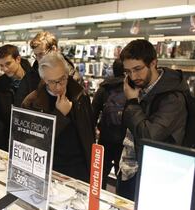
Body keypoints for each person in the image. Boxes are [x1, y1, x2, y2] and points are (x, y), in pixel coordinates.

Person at [118, 39, 189, 200]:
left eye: (138, 69)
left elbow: (148, 136)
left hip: (154, 176)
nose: (133, 76)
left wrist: (131, 103)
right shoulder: (139, 89)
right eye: (128, 71)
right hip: (129, 170)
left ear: (153, 63)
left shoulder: (172, 98)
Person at [22, 52, 95, 182]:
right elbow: (34, 141)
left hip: (80, 168)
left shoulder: (80, 96)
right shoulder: (32, 101)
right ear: (44, 80)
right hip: (49, 168)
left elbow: (89, 135)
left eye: (63, 79)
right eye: (52, 82)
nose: (59, 86)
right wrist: (60, 114)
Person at [0, 44, 36, 151]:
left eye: (8, 64)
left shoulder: (35, 80)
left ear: (18, 59)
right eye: (1, 65)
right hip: (9, 141)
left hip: (34, 138)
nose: (5, 69)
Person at [92, 59, 127, 189]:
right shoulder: (130, 87)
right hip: (123, 141)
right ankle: (120, 203)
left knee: (101, 173)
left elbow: (93, 113)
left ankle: (98, 200)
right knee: (122, 174)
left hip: (105, 138)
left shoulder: (104, 87)